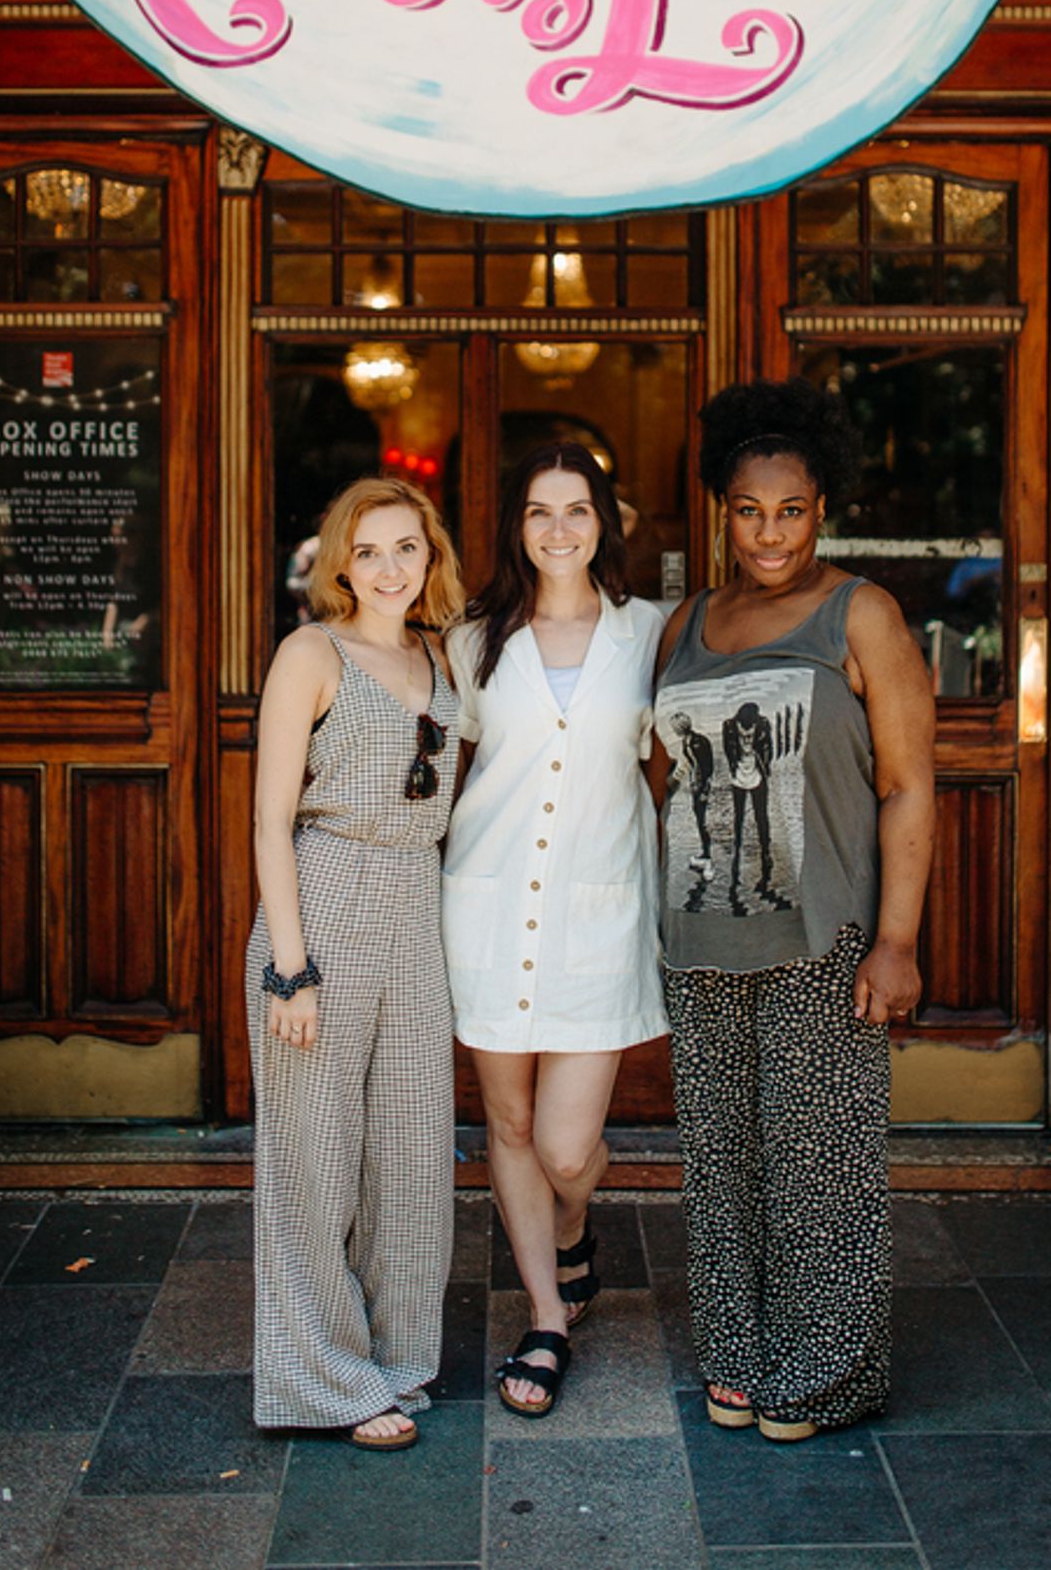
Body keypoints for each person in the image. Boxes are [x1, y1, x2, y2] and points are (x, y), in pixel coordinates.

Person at [650, 378, 935, 1442]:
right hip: (701, 936)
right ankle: (736, 1353)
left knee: (819, 1159)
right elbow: (659, 776)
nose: (768, 533)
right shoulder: (687, 620)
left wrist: (896, 939)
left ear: (824, 510)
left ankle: (822, 1373)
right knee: (721, 1162)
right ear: (719, 510)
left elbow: (906, 782)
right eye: (746, 510)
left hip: (822, 937)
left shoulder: (857, 613)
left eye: (791, 510)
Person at [442, 443, 667, 1418]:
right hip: (485, 909)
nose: (559, 529)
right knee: (509, 1126)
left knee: (569, 1150)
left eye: (577, 510)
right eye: (539, 512)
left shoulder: (649, 633)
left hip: (597, 918)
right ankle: (544, 1317)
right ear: (515, 526)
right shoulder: (468, 639)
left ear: (603, 523)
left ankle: (571, 1228)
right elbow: (422, 762)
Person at [247, 477, 463, 1448]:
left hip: (417, 903)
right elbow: (268, 819)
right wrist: (289, 967)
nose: (387, 568)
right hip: (325, 898)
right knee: (312, 1159)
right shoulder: (310, 652)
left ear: (430, 559)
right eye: (369, 550)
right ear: (340, 561)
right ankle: (320, 1381)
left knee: (412, 1154)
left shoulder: (442, 654)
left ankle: (393, 1359)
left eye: (406, 549)